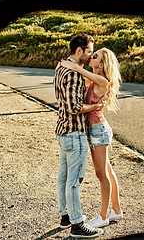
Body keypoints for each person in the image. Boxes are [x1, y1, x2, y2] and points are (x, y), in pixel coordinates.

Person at [59, 47, 123, 228]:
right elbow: (79, 77)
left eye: (95, 56)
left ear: (101, 64)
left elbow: (79, 70)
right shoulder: (95, 77)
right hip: (96, 130)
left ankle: (103, 216)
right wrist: (64, 67)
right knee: (108, 172)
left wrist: (71, 64)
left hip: (98, 131)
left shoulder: (102, 80)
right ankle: (116, 211)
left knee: (101, 174)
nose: (91, 57)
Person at [54, 33, 104, 238]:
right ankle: (77, 224)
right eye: (89, 51)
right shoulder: (74, 74)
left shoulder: (61, 67)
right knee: (74, 181)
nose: (91, 54)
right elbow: (75, 107)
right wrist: (95, 106)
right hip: (75, 132)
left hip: (62, 130)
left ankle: (65, 216)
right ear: (79, 50)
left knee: (63, 177)